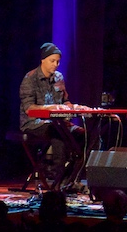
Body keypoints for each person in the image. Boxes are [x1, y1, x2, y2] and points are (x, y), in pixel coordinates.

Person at [19, 42, 85, 187]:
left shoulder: (59, 77)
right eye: (52, 61)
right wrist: (51, 108)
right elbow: (29, 109)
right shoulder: (30, 79)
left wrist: (74, 108)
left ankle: (72, 179)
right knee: (58, 132)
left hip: (59, 123)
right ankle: (57, 179)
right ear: (43, 60)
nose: (55, 64)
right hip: (34, 124)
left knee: (85, 135)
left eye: (58, 61)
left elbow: (65, 101)